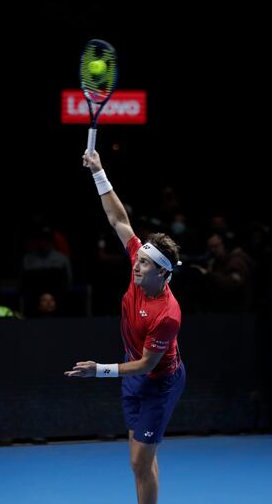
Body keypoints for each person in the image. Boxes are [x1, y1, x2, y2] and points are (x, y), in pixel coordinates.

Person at [65, 148, 186, 504]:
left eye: (146, 264)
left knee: (137, 460)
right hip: (133, 376)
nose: (136, 265)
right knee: (142, 459)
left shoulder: (168, 314)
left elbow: (149, 365)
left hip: (159, 382)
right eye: (139, 258)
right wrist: (98, 172)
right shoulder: (138, 263)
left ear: (162, 273)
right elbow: (118, 220)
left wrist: (98, 370)